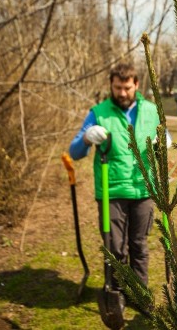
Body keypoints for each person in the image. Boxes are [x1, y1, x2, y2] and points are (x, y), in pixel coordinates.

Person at [69, 63, 160, 296]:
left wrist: (165, 141)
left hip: (144, 189)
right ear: (111, 85)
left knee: (139, 246)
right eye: (117, 87)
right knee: (115, 248)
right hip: (112, 192)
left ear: (136, 85)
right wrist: (87, 138)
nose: (122, 93)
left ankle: (139, 294)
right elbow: (75, 152)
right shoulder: (98, 113)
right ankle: (116, 293)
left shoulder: (151, 110)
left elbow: (162, 136)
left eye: (127, 88)